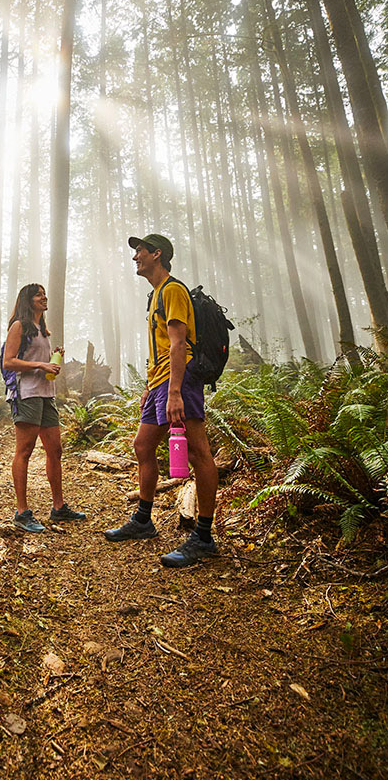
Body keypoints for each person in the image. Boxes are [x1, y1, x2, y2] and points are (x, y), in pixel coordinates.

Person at [104, 235, 219, 567]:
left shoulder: (173, 290)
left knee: (198, 452)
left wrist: (173, 392)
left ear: (157, 255)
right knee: (143, 446)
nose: (135, 257)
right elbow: (159, 346)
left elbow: (179, 343)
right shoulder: (155, 294)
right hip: (160, 382)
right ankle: (143, 520)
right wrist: (150, 385)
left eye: (140, 251)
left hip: (179, 381)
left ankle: (204, 536)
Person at [3, 283, 86, 533]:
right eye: (38, 295)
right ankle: (21, 512)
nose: (44, 297)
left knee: (55, 450)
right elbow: (9, 361)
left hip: (46, 395)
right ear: (28, 301)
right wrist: (41, 365)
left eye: (44, 293)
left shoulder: (43, 330)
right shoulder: (19, 326)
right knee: (25, 451)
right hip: (26, 394)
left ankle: (59, 508)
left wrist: (54, 358)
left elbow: (36, 361)